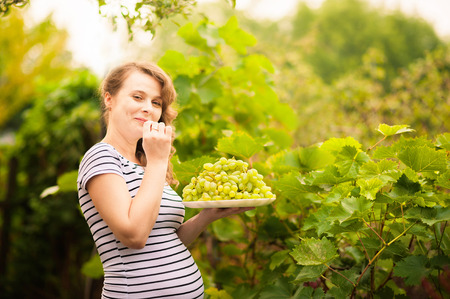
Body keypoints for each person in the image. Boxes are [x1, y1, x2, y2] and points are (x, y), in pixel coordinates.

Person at [77, 61, 252, 298]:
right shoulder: (101, 156)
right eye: (138, 97)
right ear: (109, 99)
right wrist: (159, 161)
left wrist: (204, 218)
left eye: (156, 102)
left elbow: (164, 241)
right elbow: (135, 236)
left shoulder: (146, 162)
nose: (148, 108)